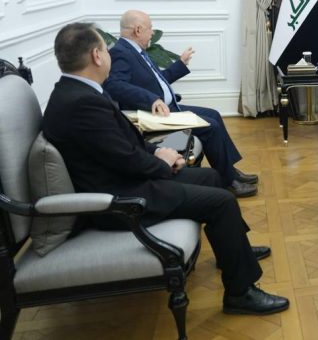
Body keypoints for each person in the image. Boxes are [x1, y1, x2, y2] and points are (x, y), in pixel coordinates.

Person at [42, 22, 288, 315]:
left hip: (122, 181)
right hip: (121, 200)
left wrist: (160, 151)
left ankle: (236, 251)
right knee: (221, 202)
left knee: (211, 177)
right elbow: (126, 160)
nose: (109, 55)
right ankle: (240, 293)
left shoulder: (74, 93)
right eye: (106, 50)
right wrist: (163, 163)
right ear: (96, 56)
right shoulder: (83, 103)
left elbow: (118, 147)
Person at [104, 10, 257, 197]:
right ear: (138, 30)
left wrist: (180, 64)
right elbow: (114, 85)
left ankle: (230, 171)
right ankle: (228, 181)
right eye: (150, 28)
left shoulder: (136, 51)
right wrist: (151, 99)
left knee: (214, 114)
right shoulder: (121, 52)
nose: (152, 32)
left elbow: (157, 82)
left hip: (168, 109)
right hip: (152, 116)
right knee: (210, 126)